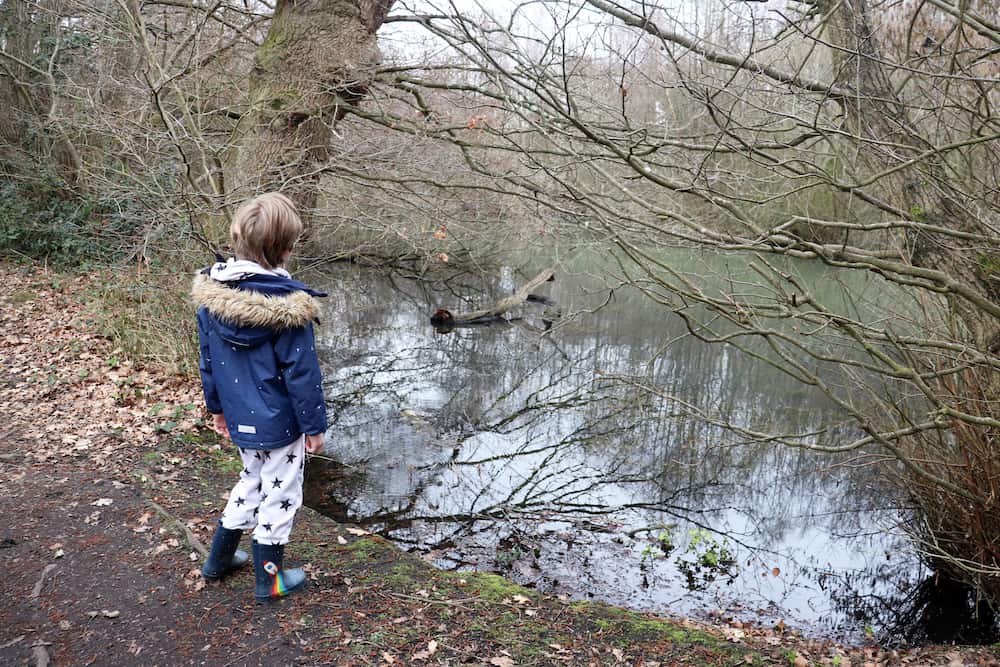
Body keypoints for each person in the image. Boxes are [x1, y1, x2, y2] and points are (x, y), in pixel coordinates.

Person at [191, 191, 327, 603]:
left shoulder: (211, 298)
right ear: (285, 249)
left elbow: (208, 361)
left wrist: (216, 410)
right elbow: (302, 375)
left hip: (238, 416)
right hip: (280, 424)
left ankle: (217, 561)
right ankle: (269, 579)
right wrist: (314, 425)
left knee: (251, 479)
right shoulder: (288, 308)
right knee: (280, 494)